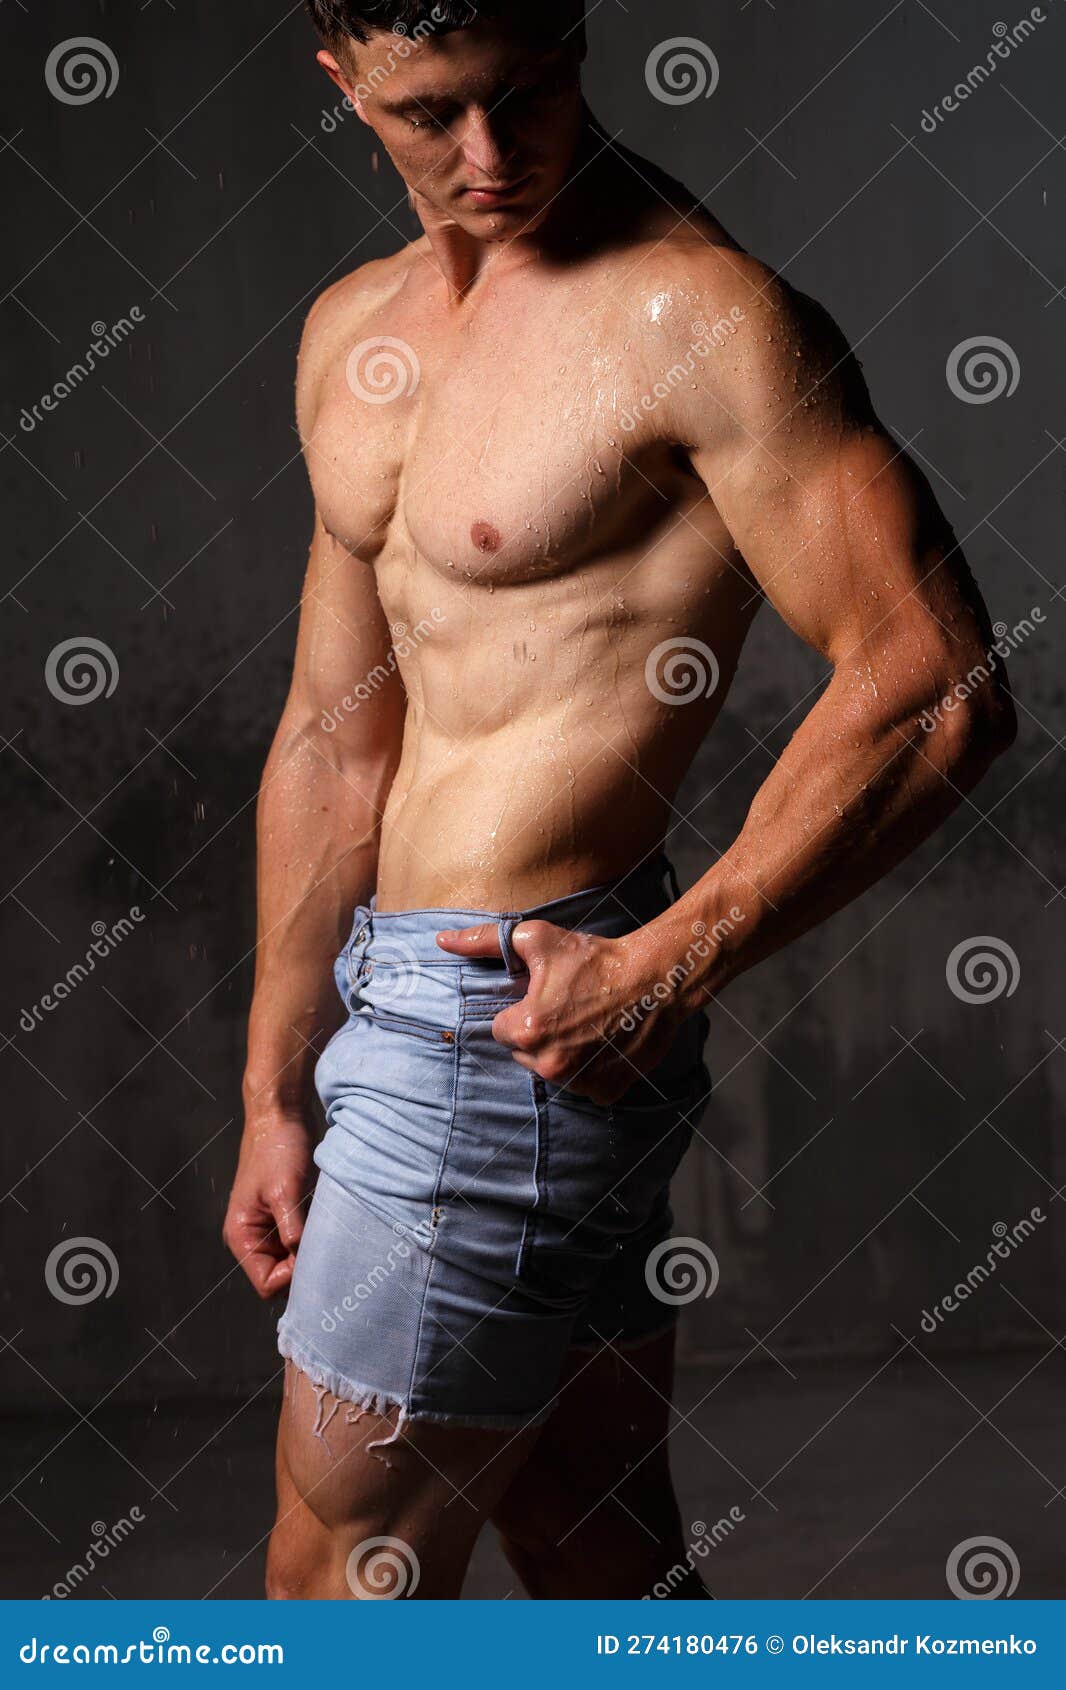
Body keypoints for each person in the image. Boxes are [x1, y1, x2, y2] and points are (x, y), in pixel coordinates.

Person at [223, 0, 1015, 1600]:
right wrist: (270, 1086)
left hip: (509, 1023)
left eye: (528, 92)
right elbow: (333, 736)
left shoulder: (696, 314)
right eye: (430, 112)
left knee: (339, 1583)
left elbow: (935, 680)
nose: (490, 152)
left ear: (577, 37)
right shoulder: (353, 332)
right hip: (419, 1008)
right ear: (343, 83)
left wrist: (667, 959)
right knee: (593, 1536)